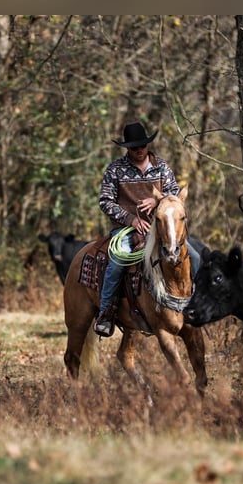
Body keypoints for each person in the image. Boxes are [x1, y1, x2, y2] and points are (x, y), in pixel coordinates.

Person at [95, 121, 200, 337]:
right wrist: (131, 219)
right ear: (127, 148)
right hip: (126, 230)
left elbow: (174, 197)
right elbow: (105, 201)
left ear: (147, 145)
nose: (139, 150)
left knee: (195, 257)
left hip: (160, 229)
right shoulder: (115, 170)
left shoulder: (162, 167)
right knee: (116, 263)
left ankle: (197, 304)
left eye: (142, 146)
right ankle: (106, 312)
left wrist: (156, 201)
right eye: (134, 148)